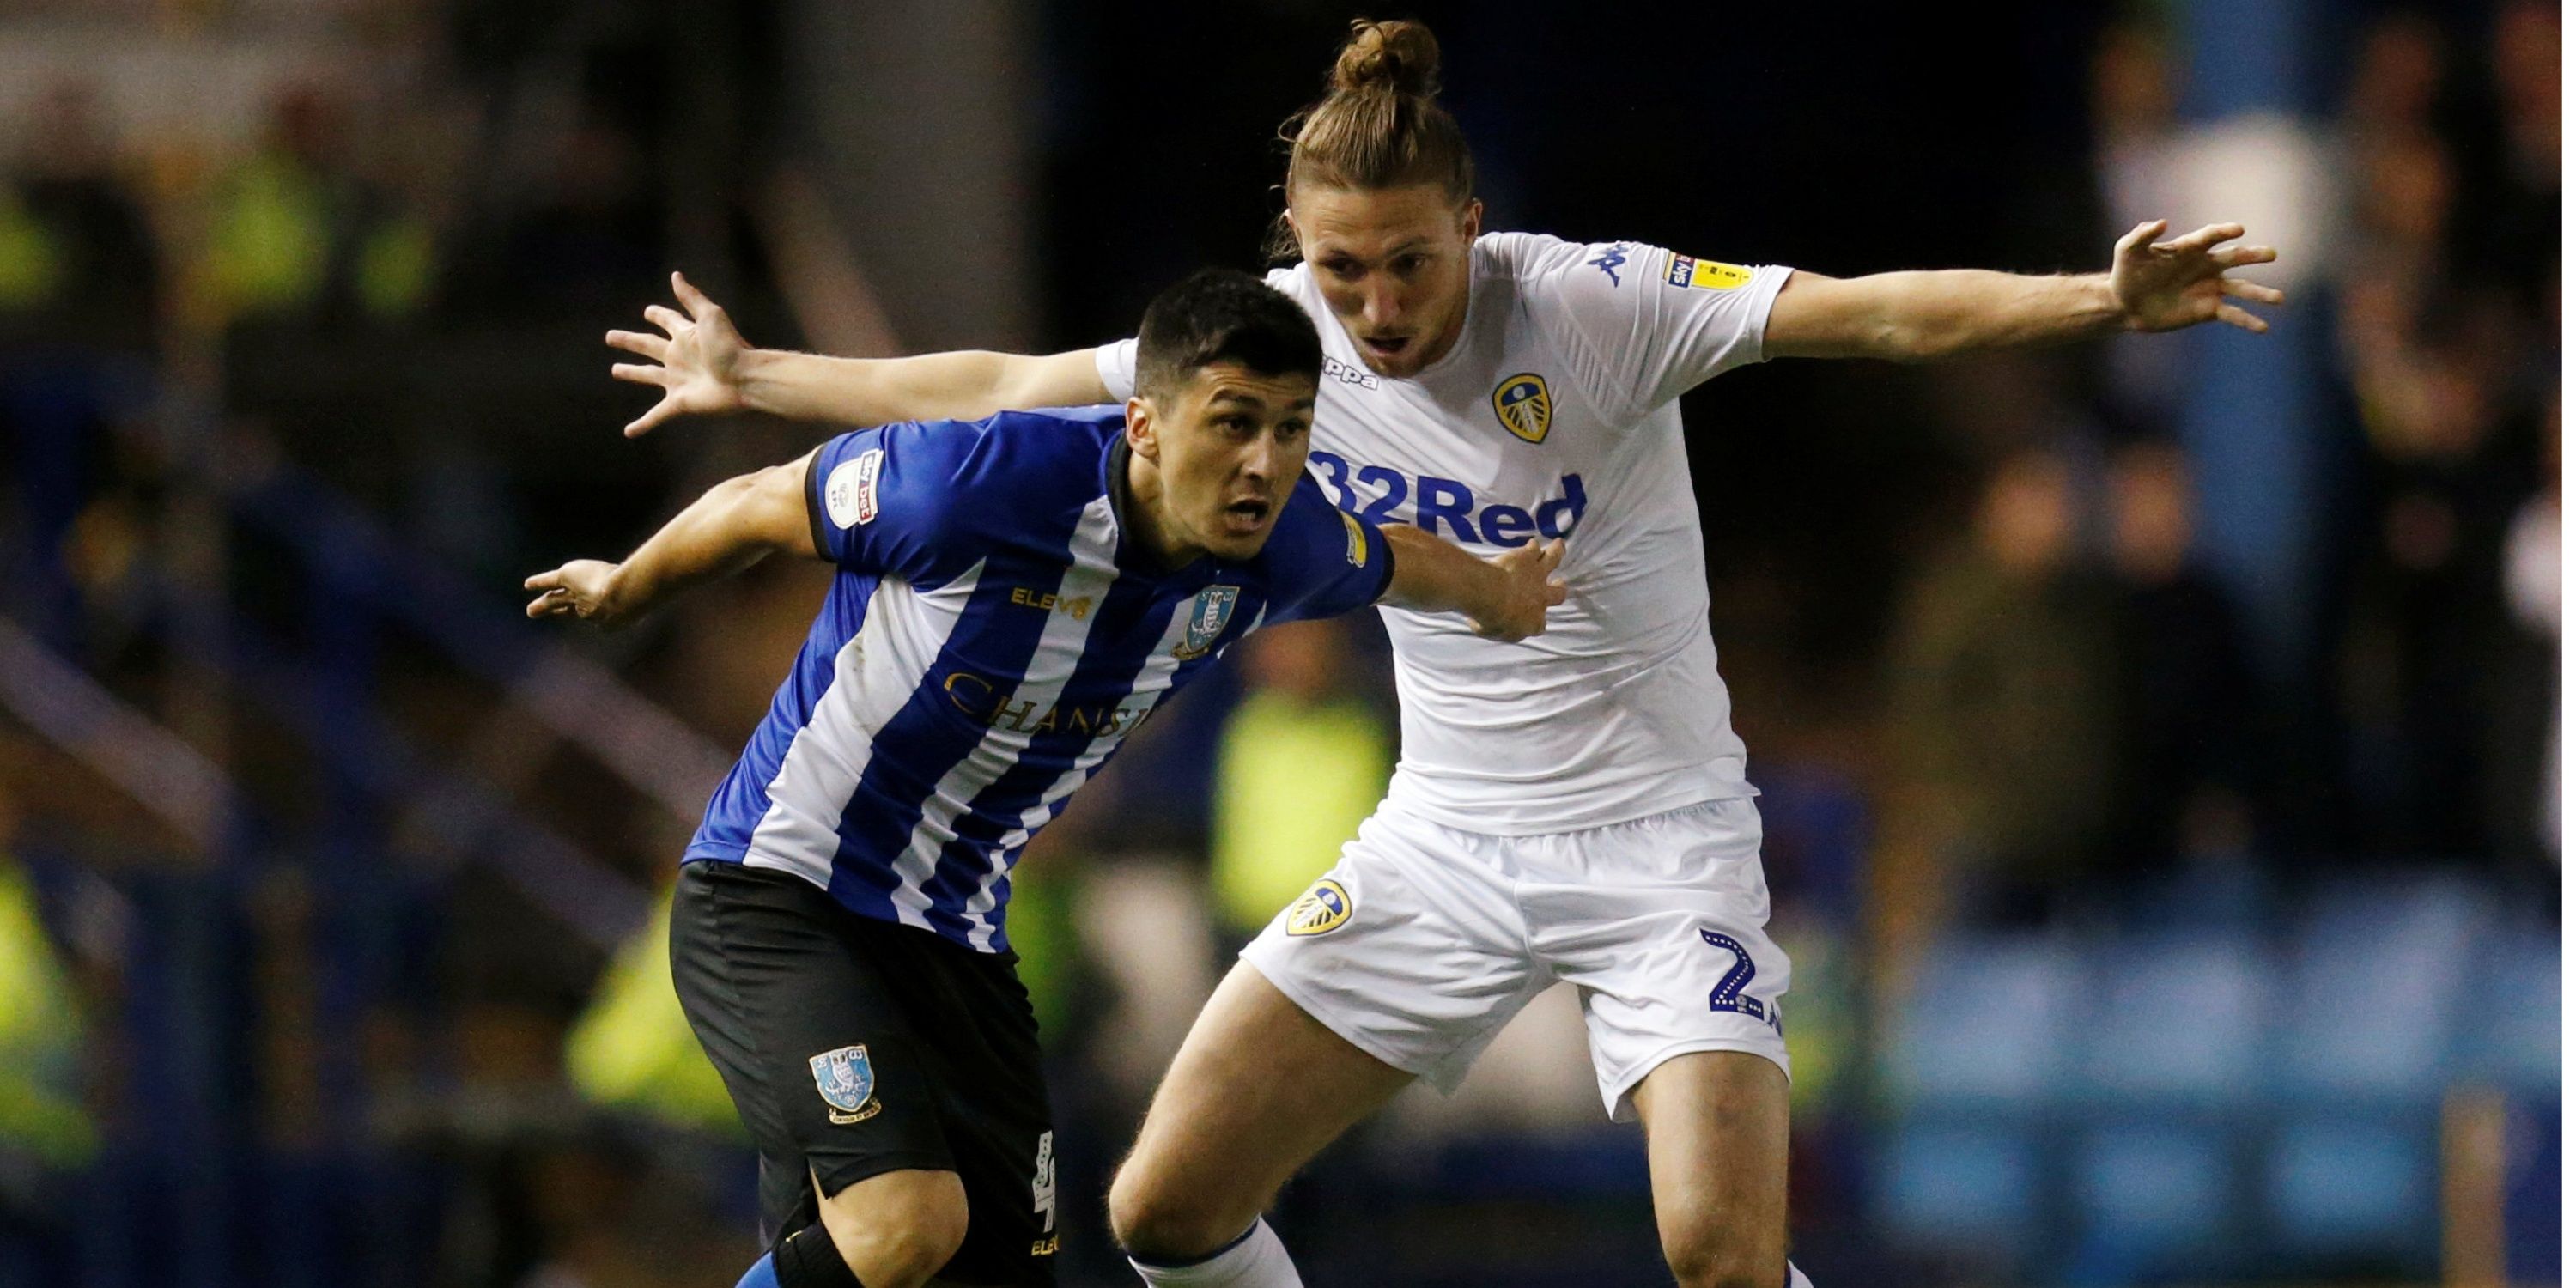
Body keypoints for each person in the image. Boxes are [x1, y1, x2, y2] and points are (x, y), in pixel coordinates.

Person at [603, 21, 2283, 1286]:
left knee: (1714, 1251)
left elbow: (1878, 308)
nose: (1384, 299)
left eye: (1414, 256)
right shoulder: (1276, 351)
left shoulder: (1598, 305)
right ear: (1300, 249)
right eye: (1346, 265)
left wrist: (2094, 300)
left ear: (1472, 222)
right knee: (1164, 1210)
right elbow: (994, 383)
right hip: (1439, 848)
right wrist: (760, 379)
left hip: (1653, 846)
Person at [533, 268, 1564, 1288]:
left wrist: (1503, 597)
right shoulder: (974, 490)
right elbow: (762, 502)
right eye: (1232, 422)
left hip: (959, 942)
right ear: (1146, 426)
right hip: (784, 897)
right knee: (907, 1225)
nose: (1262, 463)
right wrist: (627, 586)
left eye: (1292, 429)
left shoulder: (1281, 546)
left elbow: (1395, 559)